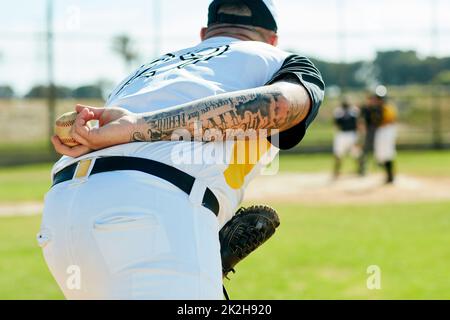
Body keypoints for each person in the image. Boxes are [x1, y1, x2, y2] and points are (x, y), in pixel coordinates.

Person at [38, 0, 324, 299]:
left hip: (62, 214)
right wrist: (137, 126)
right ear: (273, 38)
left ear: (204, 33)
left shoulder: (149, 68)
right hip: (152, 209)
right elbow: (279, 107)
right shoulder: (278, 59)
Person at [332, 99, 360, 178]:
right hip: (342, 134)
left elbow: (358, 123)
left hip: (352, 134)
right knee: (338, 154)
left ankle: (361, 169)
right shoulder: (339, 112)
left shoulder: (354, 111)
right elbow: (336, 124)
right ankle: (336, 171)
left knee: (356, 153)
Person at [374, 93, 398, 184]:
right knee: (381, 154)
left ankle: (390, 176)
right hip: (381, 131)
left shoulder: (387, 108)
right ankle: (389, 175)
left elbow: (389, 121)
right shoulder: (377, 109)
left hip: (387, 131)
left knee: (388, 153)